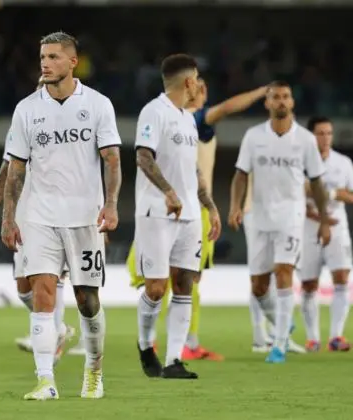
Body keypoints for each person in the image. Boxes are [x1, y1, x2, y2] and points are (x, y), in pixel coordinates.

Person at [1, 31, 122, 399]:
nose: (45, 63)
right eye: (42, 57)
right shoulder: (26, 109)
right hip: (39, 216)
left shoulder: (98, 105)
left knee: (88, 300)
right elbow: (16, 169)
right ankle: (45, 380)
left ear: (72, 62)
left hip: (84, 217)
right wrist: (9, 217)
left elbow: (112, 160)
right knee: (43, 291)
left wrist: (112, 203)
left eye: (53, 57)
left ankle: (94, 371)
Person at [126, 79, 268, 361]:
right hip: (164, 208)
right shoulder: (187, 117)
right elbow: (228, 107)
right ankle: (155, 342)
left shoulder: (194, 124)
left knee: (189, 280)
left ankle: (185, 344)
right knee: (159, 280)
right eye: (195, 85)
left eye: (203, 86)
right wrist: (262, 90)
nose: (200, 90)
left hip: (196, 209)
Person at [227, 80, 331, 364]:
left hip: (291, 216)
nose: (282, 101)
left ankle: (280, 344)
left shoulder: (306, 140)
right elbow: (240, 174)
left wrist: (323, 220)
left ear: (292, 102)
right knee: (259, 286)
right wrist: (235, 206)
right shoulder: (253, 136)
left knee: (284, 271)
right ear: (267, 103)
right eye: (276, 97)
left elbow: (318, 182)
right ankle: (283, 323)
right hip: (259, 217)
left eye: (286, 96)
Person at [0, 78, 78, 363]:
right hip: (23, 213)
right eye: (39, 86)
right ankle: (54, 328)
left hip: (56, 213)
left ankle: (52, 338)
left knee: (52, 277)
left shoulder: (70, 127)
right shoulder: (22, 121)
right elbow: (7, 167)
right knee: (24, 289)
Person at [134, 54, 221, 379]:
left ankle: (173, 361)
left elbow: (193, 169)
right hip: (156, 212)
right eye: (197, 78)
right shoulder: (154, 112)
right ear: (188, 81)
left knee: (185, 284)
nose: (199, 84)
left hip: (189, 215)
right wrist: (168, 193)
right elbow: (143, 156)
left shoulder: (187, 118)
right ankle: (145, 346)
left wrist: (208, 205)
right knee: (156, 288)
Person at [299, 116, 353, 352]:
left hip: (338, 228)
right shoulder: (300, 161)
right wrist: (331, 195)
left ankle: (336, 336)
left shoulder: (343, 162)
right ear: (311, 136)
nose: (326, 138)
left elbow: (352, 195)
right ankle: (312, 338)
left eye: (329, 133)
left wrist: (328, 194)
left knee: (341, 279)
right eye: (320, 133)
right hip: (308, 228)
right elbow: (299, 193)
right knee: (309, 284)